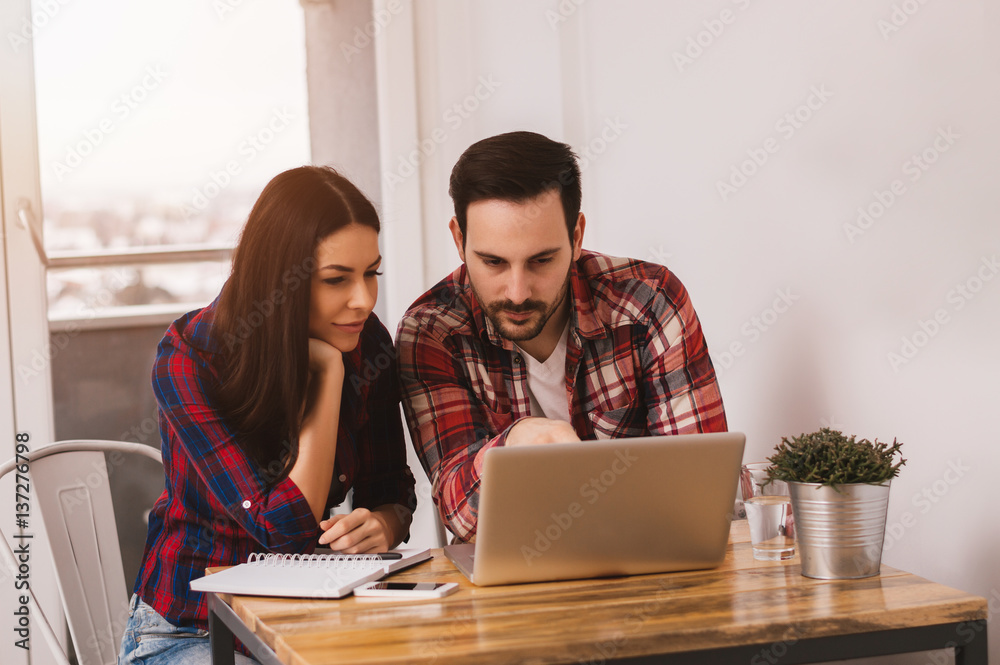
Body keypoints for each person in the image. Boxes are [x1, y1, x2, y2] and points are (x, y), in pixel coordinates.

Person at [119, 166, 416, 664]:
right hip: (188, 628)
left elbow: (392, 486)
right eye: (336, 279)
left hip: (306, 619)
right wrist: (328, 376)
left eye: (372, 273)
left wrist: (386, 522)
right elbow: (284, 529)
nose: (363, 299)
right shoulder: (191, 356)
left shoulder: (369, 343)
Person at [395, 131, 727, 542]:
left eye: (541, 260)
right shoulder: (433, 332)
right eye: (493, 262)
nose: (517, 292)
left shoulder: (650, 301)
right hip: (513, 592)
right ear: (460, 240)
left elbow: (700, 491)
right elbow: (463, 517)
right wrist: (512, 444)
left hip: (649, 576)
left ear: (576, 236)